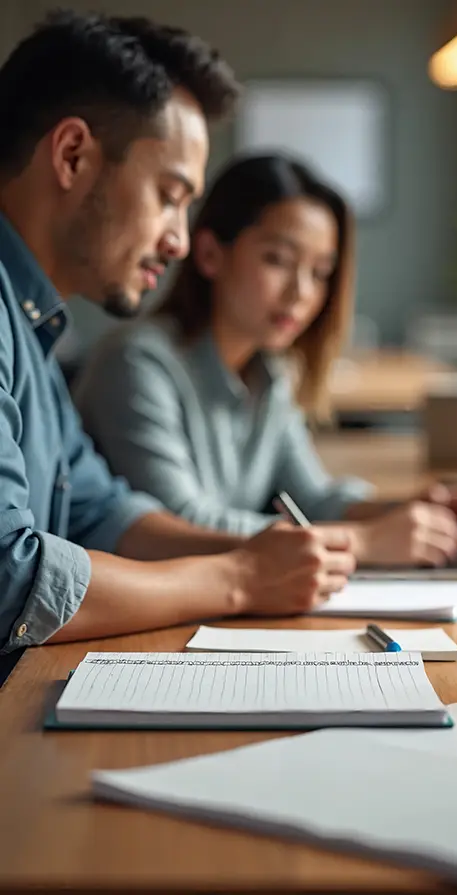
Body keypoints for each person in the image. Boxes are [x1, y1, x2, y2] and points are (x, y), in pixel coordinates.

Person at [0, 15, 356, 655]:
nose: (181, 242)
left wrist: (263, 554)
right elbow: (9, 578)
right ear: (72, 155)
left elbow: (100, 513)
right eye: (169, 196)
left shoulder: (34, 328)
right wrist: (239, 579)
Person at [76, 153, 457, 567]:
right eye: (277, 260)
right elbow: (179, 526)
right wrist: (363, 541)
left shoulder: (268, 373)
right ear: (209, 253)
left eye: (320, 273)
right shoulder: (135, 364)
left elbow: (312, 499)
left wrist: (406, 511)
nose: (301, 292)